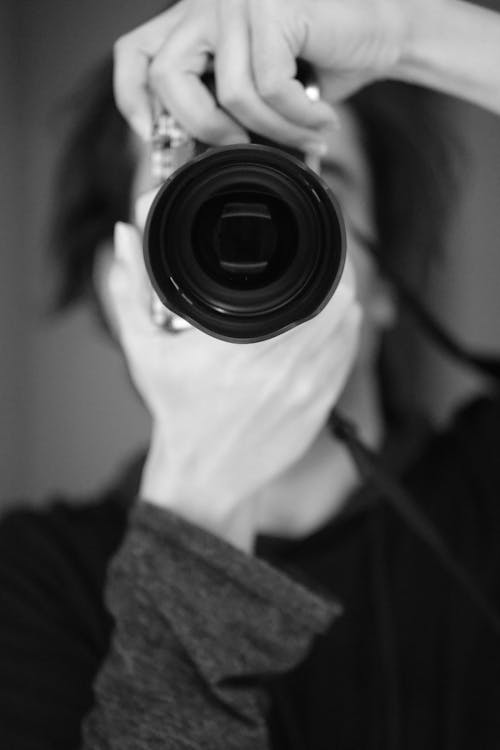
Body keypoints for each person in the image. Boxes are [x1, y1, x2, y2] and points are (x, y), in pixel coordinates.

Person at [1, 1, 500, 748]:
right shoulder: (33, 583)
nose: (262, 220)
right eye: (198, 181)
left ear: (387, 280)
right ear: (122, 280)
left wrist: (406, 33)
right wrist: (197, 509)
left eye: (312, 181)